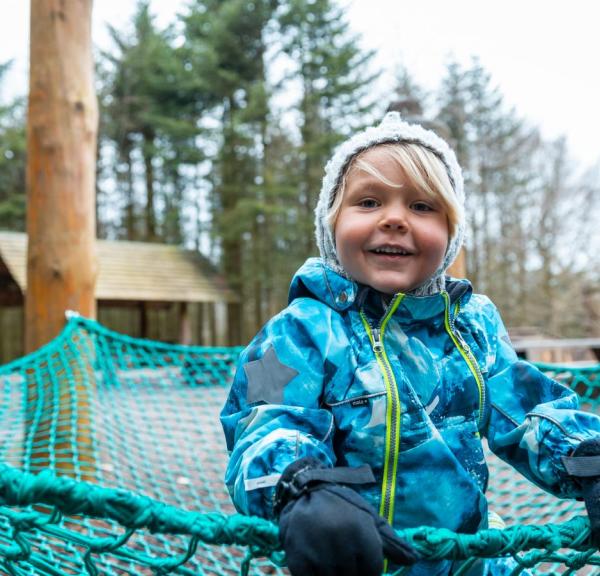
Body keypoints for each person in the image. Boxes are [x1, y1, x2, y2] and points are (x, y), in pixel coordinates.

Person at [220, 112, 600, 576]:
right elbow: (265, 423)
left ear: (451, 232)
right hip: (354, 555)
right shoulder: (298, 331)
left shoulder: (472, 326)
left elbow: (529, 412)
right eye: (369, 202)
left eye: (422, 207)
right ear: (331, 225)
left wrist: (588, 458)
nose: (395, 219)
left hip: (470, 558)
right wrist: (303, 487)